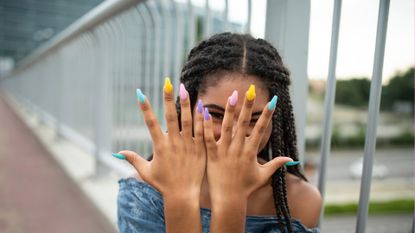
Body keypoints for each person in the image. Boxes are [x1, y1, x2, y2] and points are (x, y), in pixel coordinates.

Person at [112, 32, 322, 233]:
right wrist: (181, 197)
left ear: (274, 122)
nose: (234, 134)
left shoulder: (301, 201)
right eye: (217, 115)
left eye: (254, 120)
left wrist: (230, 198)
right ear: (189, 108)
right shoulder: (142, 195)